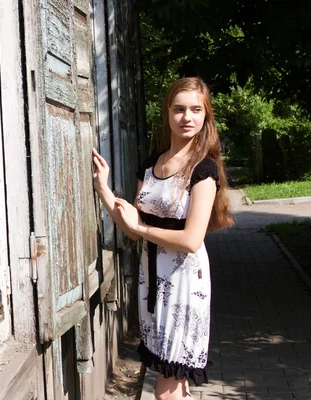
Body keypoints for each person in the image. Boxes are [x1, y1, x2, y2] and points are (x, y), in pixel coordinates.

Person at [92, 77, 233, 400]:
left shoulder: (203, 170)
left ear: (206, 116)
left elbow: (191, 240)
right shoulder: (152, 164)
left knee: (166, 391)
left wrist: (141, 230)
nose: (187, 117)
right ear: (167, 113)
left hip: (184, 282)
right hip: (151, 280)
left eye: (196, 110)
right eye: (179, 109)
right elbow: (132, 224)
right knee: (174, 383)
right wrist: (104, 189)